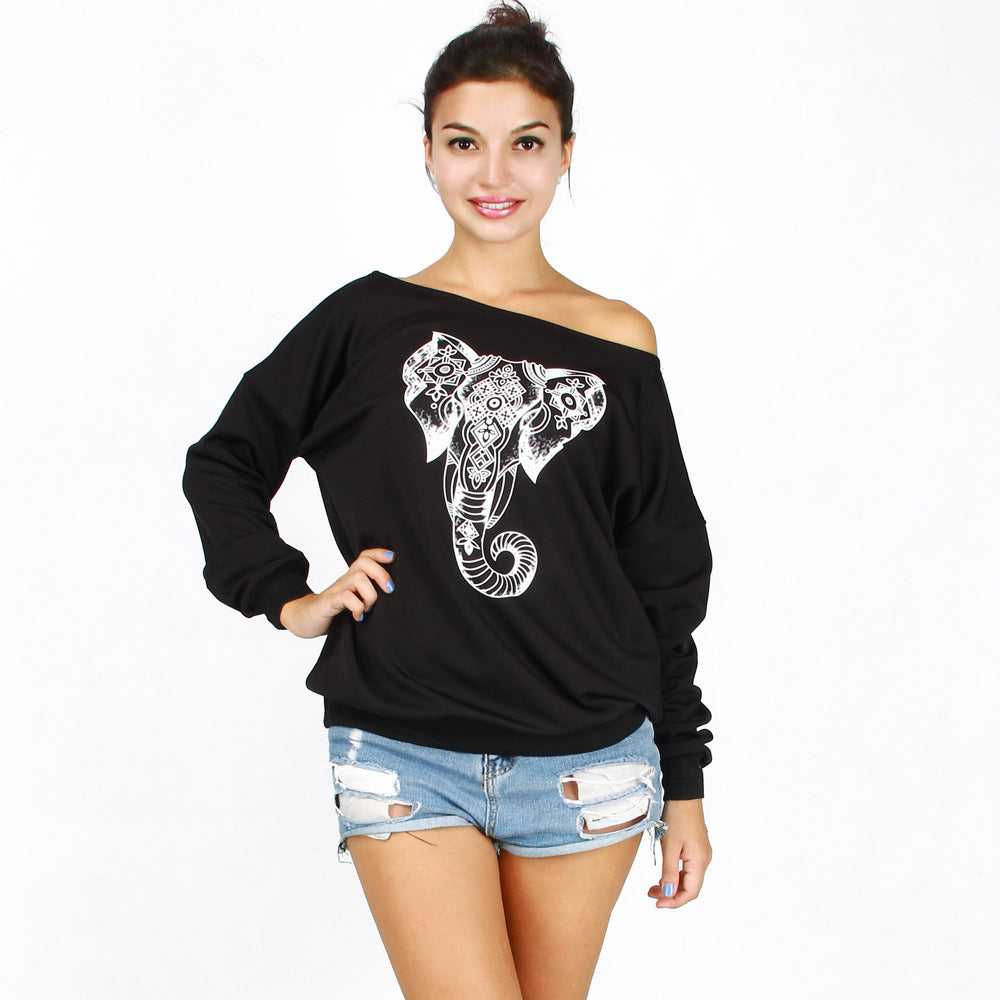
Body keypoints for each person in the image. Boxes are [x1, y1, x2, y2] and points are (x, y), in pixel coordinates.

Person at [182, 2, 715, 996]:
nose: (494, 173)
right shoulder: (367, 323)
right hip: (403, 747)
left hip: (588, 757)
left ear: (565, 154)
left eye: (527, 143)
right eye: (464, 142)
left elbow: (664, 575)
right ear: (427, 153)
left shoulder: (617, 342)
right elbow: (226, 459)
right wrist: (287, 595)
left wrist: (683, 780)